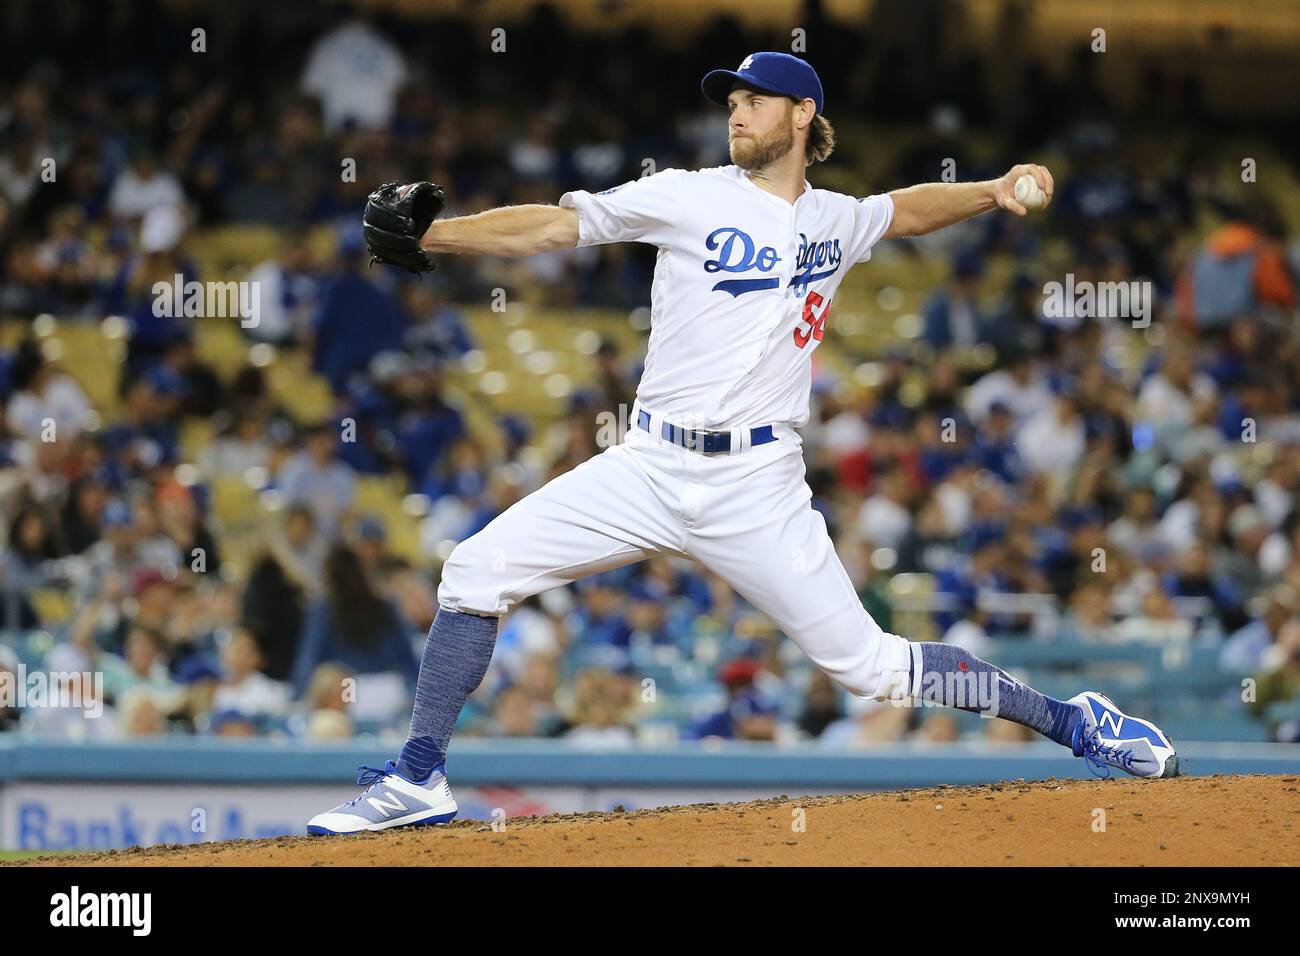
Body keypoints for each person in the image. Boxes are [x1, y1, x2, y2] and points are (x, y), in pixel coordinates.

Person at [307, 52, 1179, 836]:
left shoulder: (835, 219)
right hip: (648, 464)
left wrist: (990, 190)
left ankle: (1074, 722)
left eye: (757, 100)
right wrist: (438, 233)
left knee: (872, 671)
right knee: (472, 570)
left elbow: (903, 212)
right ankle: (419, 778)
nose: (737, 112)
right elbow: (557, 227)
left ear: (803, 116)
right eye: (732, 100)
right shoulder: (686, 193)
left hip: (758, 482)